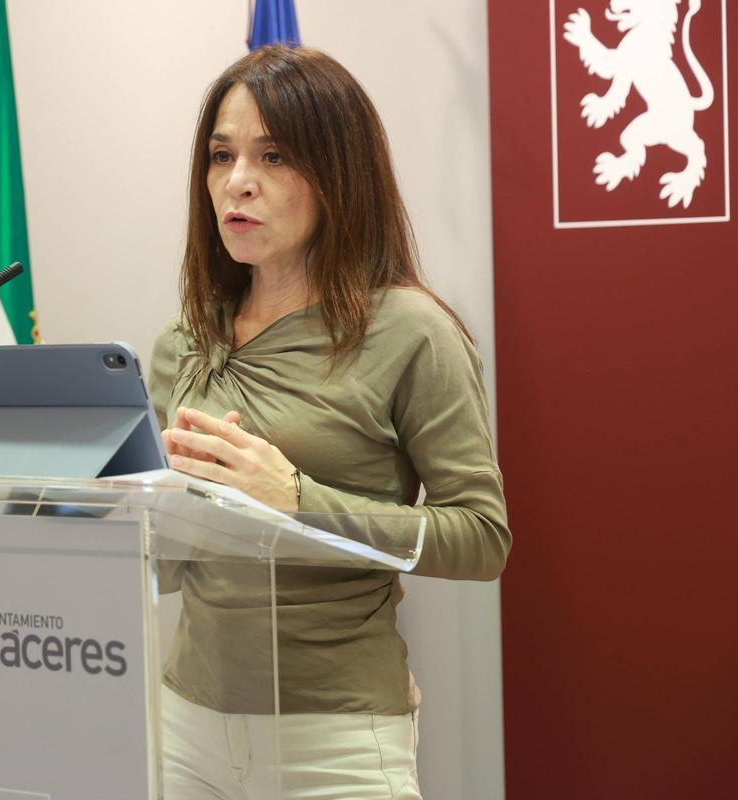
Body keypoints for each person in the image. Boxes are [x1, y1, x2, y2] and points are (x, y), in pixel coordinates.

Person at [148, 45, 511, 799]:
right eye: (221, 155)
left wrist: (300, 502)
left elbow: (481, 538)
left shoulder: (410, 330)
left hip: (334, 741)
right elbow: (173, 556)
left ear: (337, 173)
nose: (237, 182)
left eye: (274, 154)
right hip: (187, 725)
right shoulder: (184, 340)